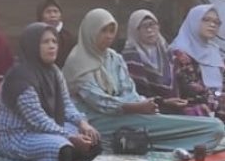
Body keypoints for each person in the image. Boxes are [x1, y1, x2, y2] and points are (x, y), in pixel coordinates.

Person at [63, 8, 224, 151]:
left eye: (112, 31)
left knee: (213, 126)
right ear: (90, 31)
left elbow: (128, 90)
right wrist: (135, 107)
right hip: (96, 121)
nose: (109, 36)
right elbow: (98, 101)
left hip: (127, 114)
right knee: (205, 127)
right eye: (103, 31)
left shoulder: (114, 57)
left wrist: (147, 105)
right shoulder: (79, 60)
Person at [0, 23, 101, 161]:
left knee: (93, 139)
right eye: (45, 42)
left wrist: (83, 123)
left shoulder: (54, 71)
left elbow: (66, 103)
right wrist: (70, 137)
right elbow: (37, 119)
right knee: (64, 149)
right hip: (19, 135)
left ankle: (76, 152)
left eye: (54, 41)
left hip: (48, 128)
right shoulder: (19, 78)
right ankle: (72, 154)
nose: (52, 46)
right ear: (32, 45)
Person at [122, 9, 199, 114]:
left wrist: (187, 99)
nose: (150, 30)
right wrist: (164, 102)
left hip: (175, 105)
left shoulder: (166, 50)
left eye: (152, 25)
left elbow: (179, 80)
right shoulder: (131, 56)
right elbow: (137, 91)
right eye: (144, 27)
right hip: (149, 109)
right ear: (135, 30)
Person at [170, 4, 225, 118]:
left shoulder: (215, 51)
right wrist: (217, 101)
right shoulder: (179, 52)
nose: (212, 25)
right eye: (206, 20)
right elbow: (189, 89)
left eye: (216, 22)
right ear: (193, 21)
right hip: (193, 110)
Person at [37, 0, 75, 68]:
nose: (52, 15)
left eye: (55, 11)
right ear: (41, 15)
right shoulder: (35, 35)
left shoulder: (69, 37)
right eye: (48, 12)